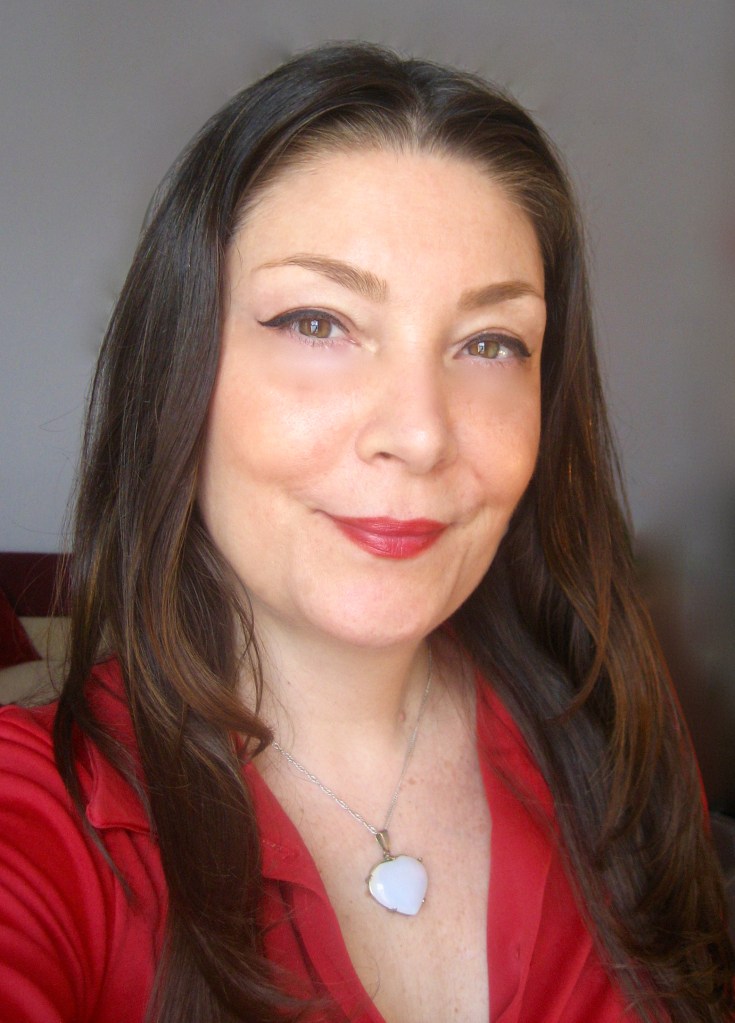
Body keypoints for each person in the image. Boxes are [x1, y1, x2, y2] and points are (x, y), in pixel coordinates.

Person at [0, 42, 732, 1023]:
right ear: (177, 372)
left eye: (490, 343)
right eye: (318, 323)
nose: (421, 434)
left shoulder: (609, 719)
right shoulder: (42, 820)